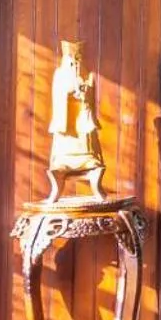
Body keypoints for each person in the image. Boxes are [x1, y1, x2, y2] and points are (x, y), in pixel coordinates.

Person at [46, 39, 106, 201]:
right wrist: (70, 91)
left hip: (81, 125)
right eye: (71, 60)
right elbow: (58, 97)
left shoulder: (88, 75)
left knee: (88, 141)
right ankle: (62, 163)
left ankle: (88, 160)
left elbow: (91, 101)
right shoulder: (59, 74)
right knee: (61, 156)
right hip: (66, 125)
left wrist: (85, 94)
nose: (75, 63)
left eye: (77, 59)